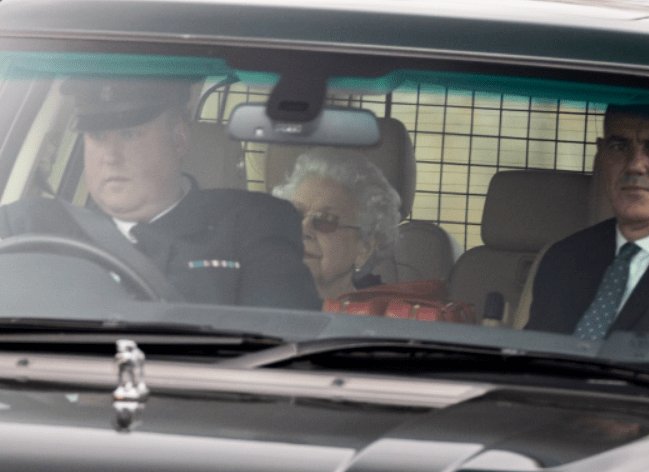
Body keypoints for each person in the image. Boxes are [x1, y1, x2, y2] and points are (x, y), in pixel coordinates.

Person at [0, 76, 321, 310]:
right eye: (97, 135)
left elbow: (279, 344)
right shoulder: (27, 227)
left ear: (179, 140)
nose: (110, 155)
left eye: (129, 134)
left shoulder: (252, 226)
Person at [526, 102, 649, 341]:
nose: (635, 165)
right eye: (618, 146)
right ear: (601, 153)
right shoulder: (563, 259)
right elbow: (531, 360)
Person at [272, 148, 401, 300]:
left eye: (326, 220)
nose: (303, 229)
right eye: (295, 214)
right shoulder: (253, 306)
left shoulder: (380, 319)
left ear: (364, 249)